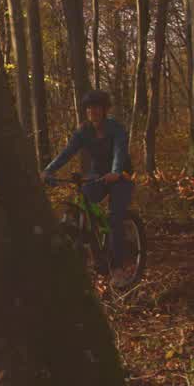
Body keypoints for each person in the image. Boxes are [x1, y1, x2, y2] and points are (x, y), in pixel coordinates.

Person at [42, 91, 135, 288]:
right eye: (89, 108)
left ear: (105, 109)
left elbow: (120, 150)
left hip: (121, 177)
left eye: (97, 107)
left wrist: (116, 171)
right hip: (98, 177)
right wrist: (48, 170)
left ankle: (118, 268)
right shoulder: (83, 132)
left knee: (114, 217)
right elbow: (67, 152)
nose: (92, 111)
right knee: (79, 209)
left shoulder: (116, 128)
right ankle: (94, 257)